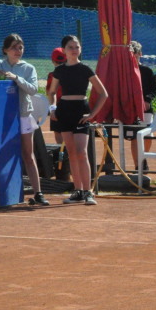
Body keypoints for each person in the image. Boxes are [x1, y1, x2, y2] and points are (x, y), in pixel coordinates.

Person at [0, 33, 49, 206]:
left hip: (24, 115)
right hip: (3, 118)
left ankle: (38, 193)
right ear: (5, 49)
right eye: (14, 47)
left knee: (28, 154)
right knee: (4, 154)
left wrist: (16, 78)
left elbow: (33, 90)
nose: (18, 50)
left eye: (20, 47)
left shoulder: (28, 68)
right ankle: (4, 192)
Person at [46, 35, 108, 205]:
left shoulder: (85, 69)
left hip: (81, 111)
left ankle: (88, 192)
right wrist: (52, 108)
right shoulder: (59, 70)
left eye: (77, 47)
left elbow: (103, 93)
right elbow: (51, 92)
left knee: (81, 152)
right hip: (64, 111)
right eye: (70, 47)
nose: (74, 50)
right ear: (64, 50)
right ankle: (78, 191)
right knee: (71, 152)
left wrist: (92, 114)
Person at [128, 40, 156, 171]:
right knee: (135, 136)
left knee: (148, 136)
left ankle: (143, 157)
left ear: (140, 54)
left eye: (135, 53)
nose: (133, 56)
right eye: (130, 54)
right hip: (131, 109)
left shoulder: (146, 71)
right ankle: (138, 165)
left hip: (145, 109)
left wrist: (147, 100)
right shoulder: (125, 72)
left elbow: (153, 89)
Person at [46, 47, 67, 172]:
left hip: (56, 107)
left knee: (58, 135)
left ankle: (62, 162)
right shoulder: (70, 73)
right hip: (68, 106)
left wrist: (51, 107)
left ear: (53, 61)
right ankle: (66, 160)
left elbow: (49, 92)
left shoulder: (52, 75)